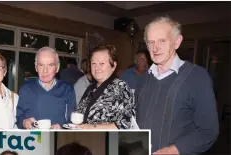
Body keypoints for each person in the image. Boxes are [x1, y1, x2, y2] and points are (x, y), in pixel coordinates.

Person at [135, 16, 219, 155]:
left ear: (177, 42)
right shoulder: (143, 79)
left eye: (162, 41)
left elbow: (208, 131)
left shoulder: (197, 77)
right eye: (151, 42)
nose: (155, 48)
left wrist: (175, 150)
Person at [76, 44, 135, 129]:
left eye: (102, 63)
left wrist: (92, 127)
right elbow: (79, 116)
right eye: (93, 63)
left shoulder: (121, 88)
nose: (97, 67)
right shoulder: (90, 88)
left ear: (113, 66)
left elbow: (126, 124)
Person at [16, 47, 76, 129]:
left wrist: (62, 128)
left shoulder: (67, 89)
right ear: (36, 67)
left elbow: (72, 121)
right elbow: (17, 117)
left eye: (50, 65)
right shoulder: (25, 89)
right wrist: (24, 122)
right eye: (41, 65)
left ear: (57, 68)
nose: (45, 70)